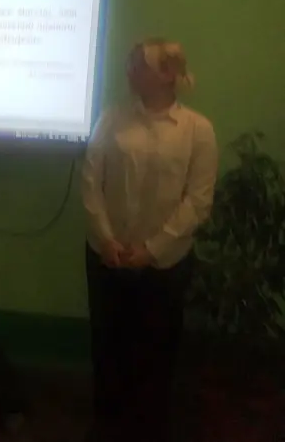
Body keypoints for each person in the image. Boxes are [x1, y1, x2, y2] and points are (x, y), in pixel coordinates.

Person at [81, 39, 218, 442]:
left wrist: (152, 249)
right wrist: (106, 239)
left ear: (168, 75)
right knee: (107, 348)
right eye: (130, 64)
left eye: (140, 65)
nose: (130, 72)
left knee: (155, 354)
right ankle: (106, 427)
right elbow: (91, 180)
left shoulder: (197, 130)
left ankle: (148, 430)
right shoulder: (111, 119)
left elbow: (197, 201)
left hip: (165, 264)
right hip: (107, 256)